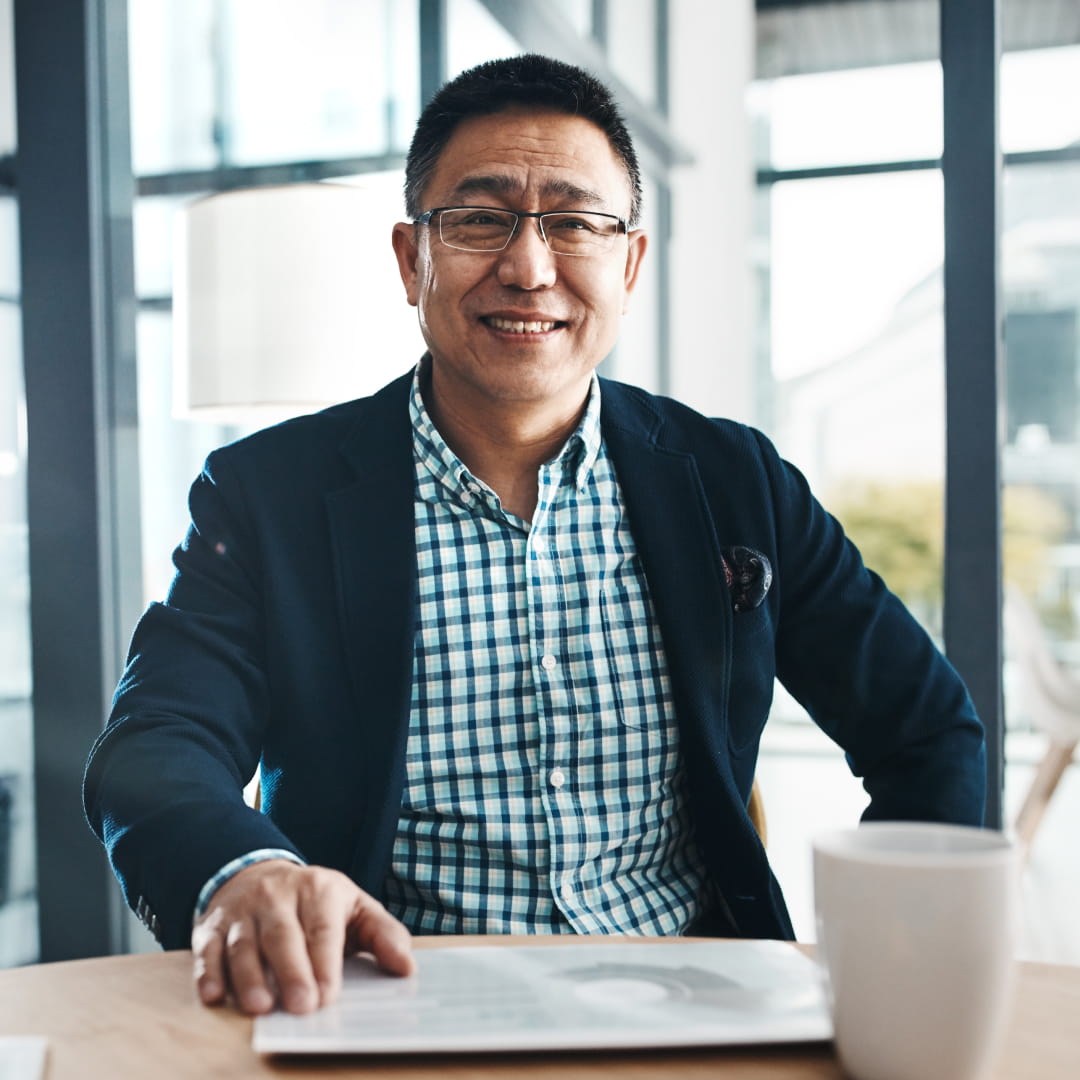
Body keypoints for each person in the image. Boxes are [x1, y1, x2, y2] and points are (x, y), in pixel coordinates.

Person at [84, 54, 986, 1018]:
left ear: (629, 262)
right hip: (377, 1007)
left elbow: (926, 730)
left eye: (576, 222)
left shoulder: (735, 482)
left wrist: (894, 951)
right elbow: (156, 742)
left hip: (693, 1011)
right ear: (410, 258)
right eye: (478, 219)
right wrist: (242, 871)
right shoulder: (268, 495)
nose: (528, 267)